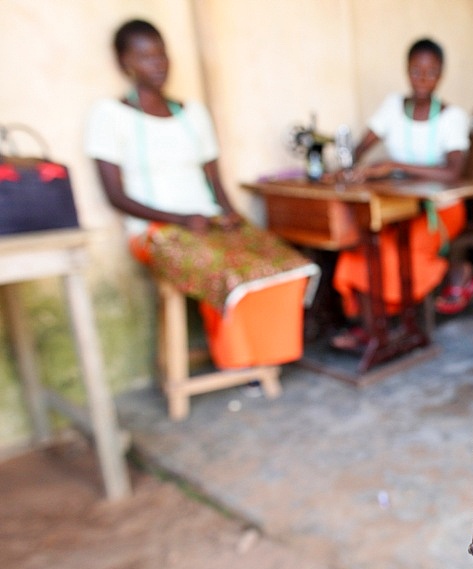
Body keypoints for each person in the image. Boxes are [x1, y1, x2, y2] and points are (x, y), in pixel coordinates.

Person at [85, 19, 317, 370]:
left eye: (162, 54)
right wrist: (180, 219)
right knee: (229, 271)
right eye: (145, 57)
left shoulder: (193, 114)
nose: (158, 64)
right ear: (124, 64)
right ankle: (240, 360)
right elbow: (114, 195)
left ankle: (268, 355)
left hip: (207, 221)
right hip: (154, 231)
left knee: (282, 262)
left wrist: (231, 215)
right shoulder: (110, 116)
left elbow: (213, 179)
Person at [332, 38, 473, 331]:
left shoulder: (452, 118)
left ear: (441, 75)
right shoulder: (392, 108)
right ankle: (376, 327)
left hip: (442, 211)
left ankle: (385, 324)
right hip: (398, 209)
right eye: (416, 71)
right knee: (362, 249)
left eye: (431, 72)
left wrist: (395, 166)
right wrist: (345, 169)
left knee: (397, 252)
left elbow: (452, 172)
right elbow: (360, 149)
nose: (423, 79)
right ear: (406, 71)